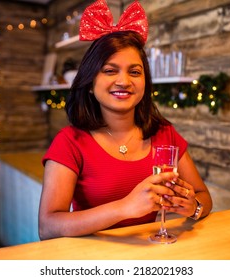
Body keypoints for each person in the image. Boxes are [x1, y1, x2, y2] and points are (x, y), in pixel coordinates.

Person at [38, 0, 212, 240]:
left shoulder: (164, 133)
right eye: (110, 71)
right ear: (90, 83)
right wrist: (125, 207)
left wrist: (194, 208)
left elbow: (204, 196)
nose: (124, 81)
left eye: (135, 72)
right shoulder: (70, 142)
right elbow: (48, 227)